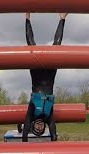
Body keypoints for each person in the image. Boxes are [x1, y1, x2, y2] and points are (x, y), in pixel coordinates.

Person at [18, 13, 68, 142]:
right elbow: (53, 133)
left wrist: (24, 142)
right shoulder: (48, 117)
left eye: (37, 127)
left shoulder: (31, 113)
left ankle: (27, 17)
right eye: (41, 128)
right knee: (57, 45)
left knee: (31, 45)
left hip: (37, 74)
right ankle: (62, 18)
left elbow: (24, 133)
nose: (40, 126)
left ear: (33, 125)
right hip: (51, 74)